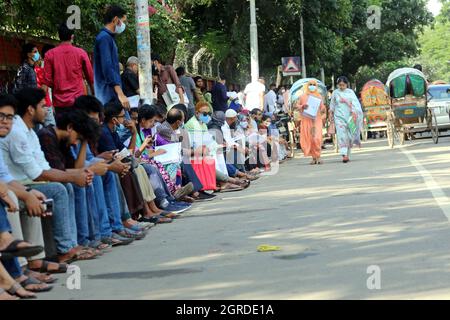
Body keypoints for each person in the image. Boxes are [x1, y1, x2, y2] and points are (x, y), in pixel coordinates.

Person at [0, 88, 97, 263]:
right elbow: (37, 174)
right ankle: (64, 249)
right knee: (58, 189)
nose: (47, 110)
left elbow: (42, 166)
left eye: (9, 117)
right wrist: (74, 176)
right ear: (31, 109)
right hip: (21, 182)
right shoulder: (18, 132)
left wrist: (78, 175)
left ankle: (71, 244)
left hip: (21, 182)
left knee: (65, 185)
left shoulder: (29, 131)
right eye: (43, 106)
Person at [42, 22, 94, 117]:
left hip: (60, 104)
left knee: (63, 131)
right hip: (78, 102)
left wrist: (38, 102)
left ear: (59, 36)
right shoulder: (81, 53)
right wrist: (94, 98)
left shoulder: (50, 55)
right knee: (78, 129)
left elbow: (46, 82)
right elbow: (91, 78)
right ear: (72, 36)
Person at [94, 5, 129, 109]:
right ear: (115, 19)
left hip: (109, 93)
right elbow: (107, 68)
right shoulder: (104, 38)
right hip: (108, 94)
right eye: (123, 21)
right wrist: (120, 93)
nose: (124, 25)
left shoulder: (108, 38)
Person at [330, 76, 363, 163]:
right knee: (342, 135)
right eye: (340, 85)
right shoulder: (335, 93)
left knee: (349, 136)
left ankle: (348, 154)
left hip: (350, 117)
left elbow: (356, 104)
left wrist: (354, 112)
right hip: (339, 117)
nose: (341, 87)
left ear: (346, 84)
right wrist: (330, 114)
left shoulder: (350, 92)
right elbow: (332, 105)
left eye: (343, 85)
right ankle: (344, 154)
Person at [296, 79, 327, 165]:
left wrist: (323, 108)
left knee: (316, 138)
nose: (312, 86)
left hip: (316, 119)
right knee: (310, 139)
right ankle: (313, 158)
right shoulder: (303, 96)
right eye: (310, 84)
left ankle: (318, 156)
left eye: (314, 84)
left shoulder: (319, 96)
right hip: (306, 120)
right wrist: (303, 106)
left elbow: (322, 108)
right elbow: (297, 106)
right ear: (307, 86)